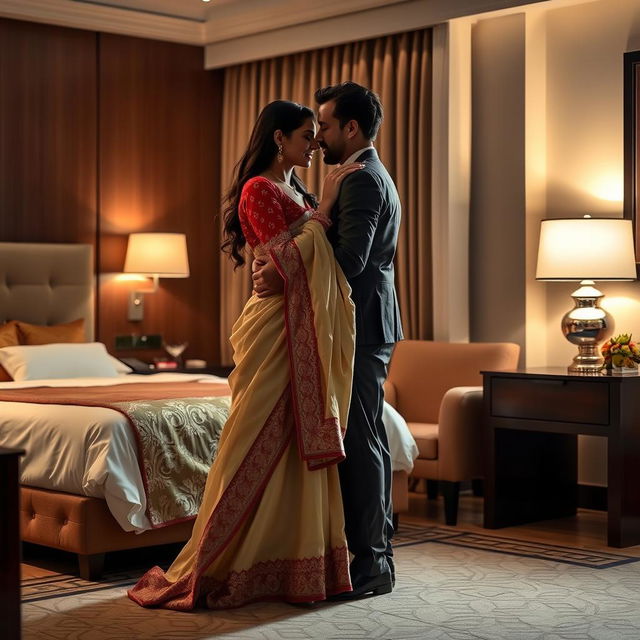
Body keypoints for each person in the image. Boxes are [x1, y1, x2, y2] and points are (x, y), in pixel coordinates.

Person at [127, 100, 362, 610]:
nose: (314, 143)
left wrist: (315, 212)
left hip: (294, 322)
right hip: (274, 326)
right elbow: (279, 260)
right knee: (253, 437)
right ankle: (221, 557)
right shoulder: (259, 188)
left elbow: (292, 255)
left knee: (290, 443)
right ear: (279, 139)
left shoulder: (291, 187)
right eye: (306, 135)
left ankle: (288, 563)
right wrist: (325, 207)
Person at [253, 83, 403, 600]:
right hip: (358, 324)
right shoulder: (357, 176)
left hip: (360, 325)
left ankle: (374, 561)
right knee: (362, 435)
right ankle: (365, 553)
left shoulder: (360, 180)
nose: (318, 136)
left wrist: (284, 275)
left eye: (325, 126)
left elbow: (349, 260)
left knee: (360, 440)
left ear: (351, 129)